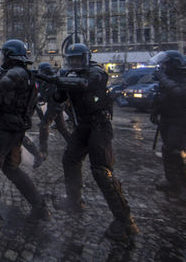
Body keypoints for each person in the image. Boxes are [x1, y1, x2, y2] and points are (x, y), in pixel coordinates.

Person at [45, 43, 138, 241]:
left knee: (101, 171)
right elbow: (58, 97)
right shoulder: (68, 74)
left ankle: (125, 220)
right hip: (82, 126)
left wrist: (59, 79)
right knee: (70, 160)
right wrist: (54, 84)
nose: (75, 63)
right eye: (72, 59)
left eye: (78, 59)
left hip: (100, 125)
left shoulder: (96, 71)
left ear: (86, 58)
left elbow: (86, 84)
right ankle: (74, 201)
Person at [0, 39, 50, 231]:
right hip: (17, 129)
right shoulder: (25, 74)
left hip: (7, 129)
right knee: (11, 168)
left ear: (10, 56)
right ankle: (39, 206)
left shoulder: (13, 75)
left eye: (5, 55)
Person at [150, 50, 186, 205]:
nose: (162, 67)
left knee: (177, 152)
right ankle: (172, 182)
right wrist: (155, 112)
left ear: (173, 64)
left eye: (165, 64)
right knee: (166, 150)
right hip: (167, 118)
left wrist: (163, 78)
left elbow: (179, 94)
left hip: (182, 120)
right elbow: (161, 96)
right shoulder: (167, 77)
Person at [34, 62, 72, 168]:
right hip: (54, 106)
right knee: (62, 128)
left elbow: (49, 94)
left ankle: (43, 152)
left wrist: (40, 97)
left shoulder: (52, 81)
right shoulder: (46, 81)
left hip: (55, 106)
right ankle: (74, 144)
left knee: (43, 126)